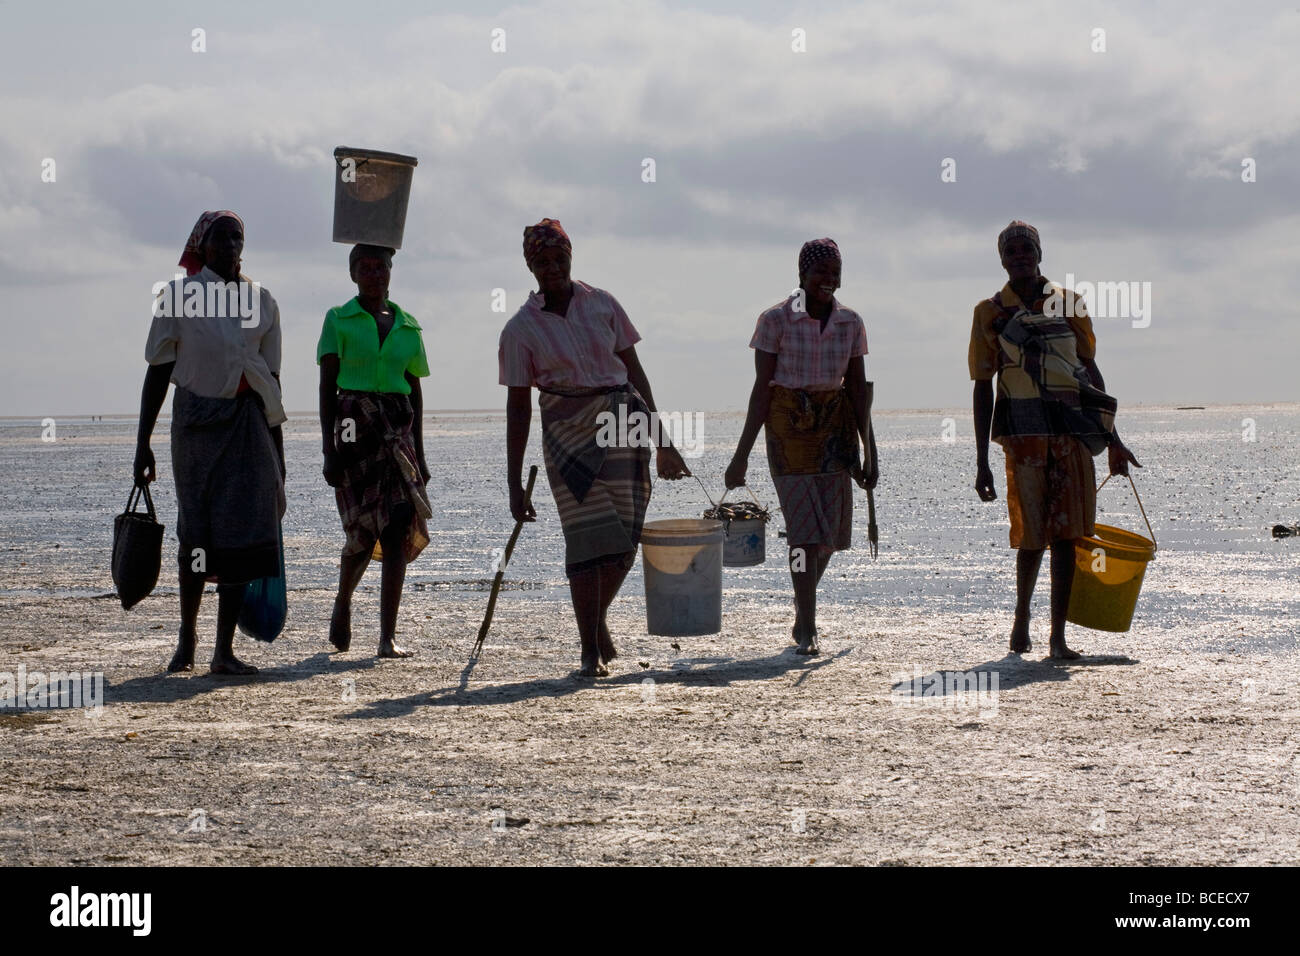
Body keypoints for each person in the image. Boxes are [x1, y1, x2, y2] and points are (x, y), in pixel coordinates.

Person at [499, 218, 690, 677]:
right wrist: (513, 482)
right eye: (541, 261)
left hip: (623, 424)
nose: (552, 268)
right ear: (530, 266)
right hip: (566, 436)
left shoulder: (603, 304)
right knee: (586, 542)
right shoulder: (520, 328)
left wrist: (664, 442)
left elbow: (635, 375)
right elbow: (518, 408)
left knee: (624, 541)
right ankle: (588, 649)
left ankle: (596, 620)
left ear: (570, 256)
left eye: (558, 258)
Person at [969, 220, 1140, 659]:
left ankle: (1057, 637)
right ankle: (1021, 619)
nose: (1020, 257)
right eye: (1012, 251)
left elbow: (1087, 375)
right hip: (1022, 435)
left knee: (1068, 536)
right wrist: (982, 461)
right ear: (1002, 259)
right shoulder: (990, 312)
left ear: (1039, 254)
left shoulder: (1068, 303)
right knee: (1031, 536)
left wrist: (1113, 439)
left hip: (1071, 434)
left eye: (1027, 249)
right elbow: (982, 384)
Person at [134, 210, 286, 676]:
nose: (231, 246)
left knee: (244, 534)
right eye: (222, 237)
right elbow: (158, 371)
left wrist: (278, 454)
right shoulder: (178, 297)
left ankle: (224, 650)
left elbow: (272, 380)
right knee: (197, 533)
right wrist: (143, 443)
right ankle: (187, 637)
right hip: (196, 425)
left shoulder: (262, 301)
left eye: (238, 237)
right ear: (202, 243)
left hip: (249, 425)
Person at [724, 238, 877, 655]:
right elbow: (761, 391)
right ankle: (808, 624)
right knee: (803, 533)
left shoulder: (851, 322)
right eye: (820, 272)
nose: (828, 280)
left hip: (834, 428)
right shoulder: (774, 320)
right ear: (802, 276)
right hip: (787, 428)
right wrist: (740, 457)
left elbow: (859, 389)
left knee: (829, 536)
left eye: (834, 272)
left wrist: (867, 450)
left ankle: (802, 600)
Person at [318, 244, 432, 659]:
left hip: (398, 433)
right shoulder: (338, 319)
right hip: (354, 430)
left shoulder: (408, 325)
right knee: (362, 533)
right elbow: (328, 388)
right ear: (352, 274)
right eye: (364, 268)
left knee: (397, 530)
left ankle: (387, 635)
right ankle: (344, 599)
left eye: (380, 267)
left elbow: (415, 390)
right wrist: (329, 450)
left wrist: (420, 453)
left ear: (390, 271)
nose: (373, 274)